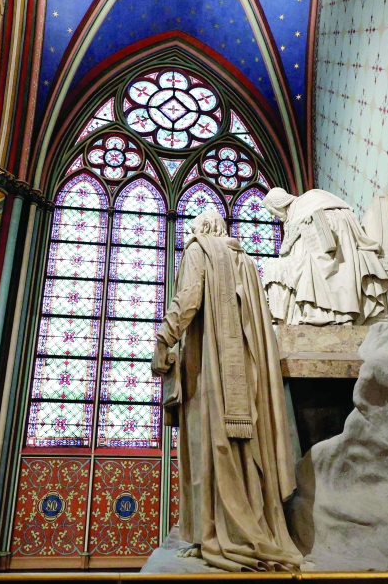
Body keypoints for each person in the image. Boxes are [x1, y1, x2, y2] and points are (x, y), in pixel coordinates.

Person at [152, 210, 302, 572]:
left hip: (211, 371)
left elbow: (188, 299)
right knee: (242, 449)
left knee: (209, 446)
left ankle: (218, 535)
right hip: (245, 373)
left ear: (199, 230)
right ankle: (237, 530)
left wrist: (163, 339)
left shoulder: (198, 251)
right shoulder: (245, 261)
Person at [261, 188, 388, 326]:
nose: (274, 217)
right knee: (272, 266)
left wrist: (315, 224)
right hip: (314, 251)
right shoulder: (292, 218)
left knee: (312, 263)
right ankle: (289, 318)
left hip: (336, 247)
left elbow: (337, 220)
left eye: (272, 211)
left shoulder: (309, 199)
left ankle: (327, 312)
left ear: (278, 204)